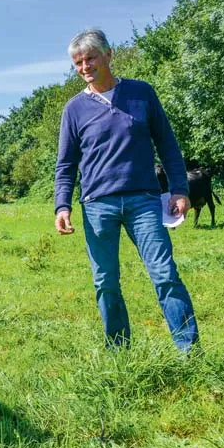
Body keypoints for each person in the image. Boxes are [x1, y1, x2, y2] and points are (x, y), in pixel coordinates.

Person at [54, 28, 199, 353]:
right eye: (77, 62)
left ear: (108, 54)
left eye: (90, 57)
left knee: (164, 274)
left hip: (144, 201)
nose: (84, 66)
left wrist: (179, 188)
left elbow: (168, 145)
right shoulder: (74, 109)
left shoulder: (141, 93)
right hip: (96, 206)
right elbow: (65, 165)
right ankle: (119, 352)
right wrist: (61, 206)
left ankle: (190, 352)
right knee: (106, 282)